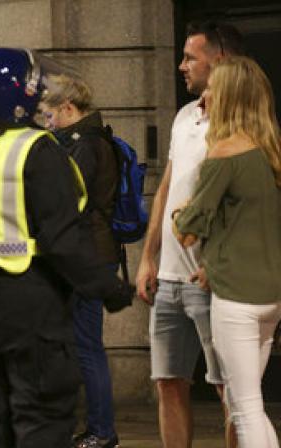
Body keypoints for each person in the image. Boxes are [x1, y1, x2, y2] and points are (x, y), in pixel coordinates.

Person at [0, 47, 132, 447]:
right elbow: (62, 239)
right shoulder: (34, 149)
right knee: (40, 418)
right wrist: (109, 289)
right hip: (26, 304)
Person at [134, 21, 243, 448]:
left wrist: (222, 263)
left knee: (230, 388)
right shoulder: (184, 116)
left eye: (189, 57)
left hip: (213, 279)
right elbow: (167, 187)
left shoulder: (242, 122)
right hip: (170, 281)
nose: (181, 66)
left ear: (219, 61)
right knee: (168, 381)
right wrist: (148, 257)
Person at [173, 55, 281, 448]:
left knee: (244, 407)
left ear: (231, 96)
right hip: (270, 296)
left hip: (234, 295)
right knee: (250, 404)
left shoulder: (224, 153)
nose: (206, 96)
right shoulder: (270, 151)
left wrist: (179, 212)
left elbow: (187, 231)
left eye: (214, 89)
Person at [40, 74, 120, 448]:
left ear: (68, 109)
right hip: (91, 253)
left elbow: (71, 202)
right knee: (83, 345)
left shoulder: (85, 144)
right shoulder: (90, 139)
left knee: (87, 346)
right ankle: (95, 429)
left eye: (50, 115)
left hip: (89, 256)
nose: (48, 123)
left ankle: (102, 432)